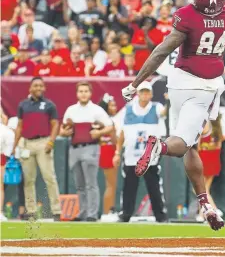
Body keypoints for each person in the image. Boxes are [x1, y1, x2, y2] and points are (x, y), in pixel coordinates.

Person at [121, 0, 225, 231]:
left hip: (178, 83)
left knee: (190, 146)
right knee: (182, 143)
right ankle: (160, 148)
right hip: (204, 88)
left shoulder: (187, 15)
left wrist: (135, 83)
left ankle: (205, 204)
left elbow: (160, 52)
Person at [113, 82, 168, 223]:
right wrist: (118, 152)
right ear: (138, 94)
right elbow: (121, 132)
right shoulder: (128, 109)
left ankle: (160, 215)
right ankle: (126, 213)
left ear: (151, 94)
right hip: (131, 155)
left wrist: (169, 101)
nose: (144, 95)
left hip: (149, 156)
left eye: (147, 92)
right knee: (129, 187)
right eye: (142, 92)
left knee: (154, 186)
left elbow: (164, 113)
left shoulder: (156, 107)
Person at [59, 81, 113, 221]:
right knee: (79, 184)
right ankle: (82, 212)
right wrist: (65, 131)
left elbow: (109, 126)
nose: (83, 94)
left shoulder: (96, 110)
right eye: (81, 91)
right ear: (77, 93)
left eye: (86, 91)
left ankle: (92, 214)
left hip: (90, 147)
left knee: (91, 183)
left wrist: (99, 132)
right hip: (75, 148)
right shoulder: (71, 110)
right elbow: (62, 130)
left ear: (90, 93)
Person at [11, 77, 61, 220]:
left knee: (49, 177)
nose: (38, 88)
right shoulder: (23, 105)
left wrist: (51, 141)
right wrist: (15, 146)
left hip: (43, 142)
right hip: (27, 143)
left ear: (44, 88)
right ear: (30, 88)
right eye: (36, 86)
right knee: (28, 180)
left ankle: (56, 211)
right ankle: (31, 211)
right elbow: (20, 127)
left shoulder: (49, 105)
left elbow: (55, 124)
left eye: (41, 86)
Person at [98, 94, 119, 221]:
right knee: (110, 184)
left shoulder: (106, 120)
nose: (114, 107)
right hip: (109, 149)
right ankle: (107, 213)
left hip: (106, 149)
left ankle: (109, 210)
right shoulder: (109, 121)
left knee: (111, 184)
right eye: (112, 105)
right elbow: (114, 139)